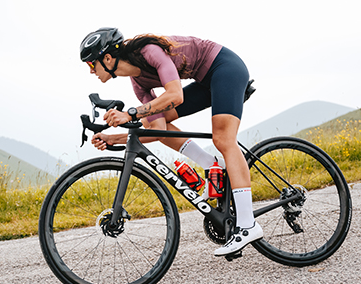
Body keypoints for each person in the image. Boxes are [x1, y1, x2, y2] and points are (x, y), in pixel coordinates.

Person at [79, 27, 263, 256]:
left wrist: (132, 113)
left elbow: (175, 95)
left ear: (107, 58)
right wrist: (113, 138)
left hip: (225, 68)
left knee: (223, 140)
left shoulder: (149, 51)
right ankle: (209, 163)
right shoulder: (138, 83)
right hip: (205, 81)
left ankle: (247, 224)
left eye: (90, 64)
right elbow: (158, 130)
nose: (91, 72)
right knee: (159, 119)